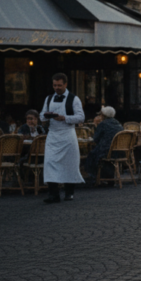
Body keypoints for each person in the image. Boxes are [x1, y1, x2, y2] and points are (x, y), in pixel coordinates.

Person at [40, 73, 85, 204]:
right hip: (53, 134)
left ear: (65, 84)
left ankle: (69, 192)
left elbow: (81, 117)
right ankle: (53, 194)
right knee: (49, 163)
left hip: (67, 134)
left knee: (69, 163)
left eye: (59, 85)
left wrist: (65, 118)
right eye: (55, 85)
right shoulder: (48, 99)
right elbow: (42, 115)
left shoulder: (74, 99)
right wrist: (46, 116)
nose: (57, 88)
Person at [86, 106, 123, 180]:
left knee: (91, 155)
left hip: (106, 151)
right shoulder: (118, 124)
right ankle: (107, 177)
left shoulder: (103, 124)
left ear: (104, 115)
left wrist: (96, 127)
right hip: (120, 152)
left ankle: (94, 177)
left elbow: (95, 139)